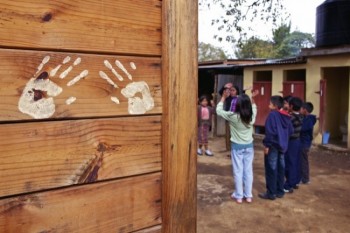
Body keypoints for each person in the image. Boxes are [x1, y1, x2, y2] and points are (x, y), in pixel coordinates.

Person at [216, 89, 259, 204]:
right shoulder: (250, 116)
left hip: (237, 147)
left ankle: (239, 196)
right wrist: (253, 98)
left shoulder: (233, 116)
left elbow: (218, 110)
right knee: (248, 171)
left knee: (238, 171)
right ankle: (248, 195)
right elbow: (254, 108)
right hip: (249, 147)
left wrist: (223, 98)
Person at [259, 96, 293, 200]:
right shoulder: (286, 116)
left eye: (270, 103)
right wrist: (283, 138)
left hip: (273, 145)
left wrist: (267, 145)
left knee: (271, 168)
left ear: (275, 106)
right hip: (282, 146)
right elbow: (291, 131)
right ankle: (280, 191)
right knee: (281, 168)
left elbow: (270, 132)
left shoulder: (272, 115)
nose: (268, 104)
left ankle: (271, 193)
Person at [284, 97, 304, 193]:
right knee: (296, 161)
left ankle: (288, 185)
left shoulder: (290, 117)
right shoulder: (301, 116)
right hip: (298, 141)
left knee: (290, 162)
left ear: (291, 106)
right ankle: (295, 181)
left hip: (291, 141)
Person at [300, 102, 317, 184]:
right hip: (304, 142)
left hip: (305, 143)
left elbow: (302, 129)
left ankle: (305, 178)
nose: (300, 110)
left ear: (305, 110)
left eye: (302, 109)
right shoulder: (307, 118)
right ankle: (303, 177)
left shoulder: (308, 120)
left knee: (303, 160)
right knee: (302, 160)